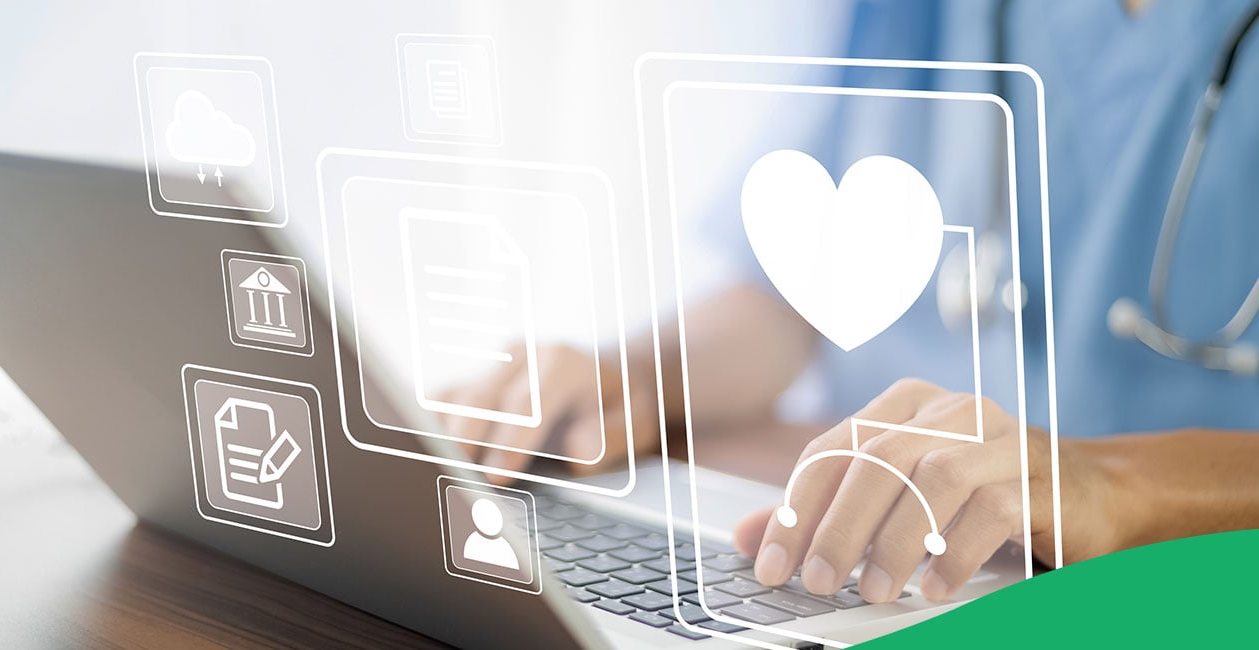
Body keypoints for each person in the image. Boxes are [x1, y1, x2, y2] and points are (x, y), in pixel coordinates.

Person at [447, 0, 1259, 604]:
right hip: (872, 557)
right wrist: (630, 379)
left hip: (1172, 588)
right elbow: (796, 293)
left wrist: (1105, 480)